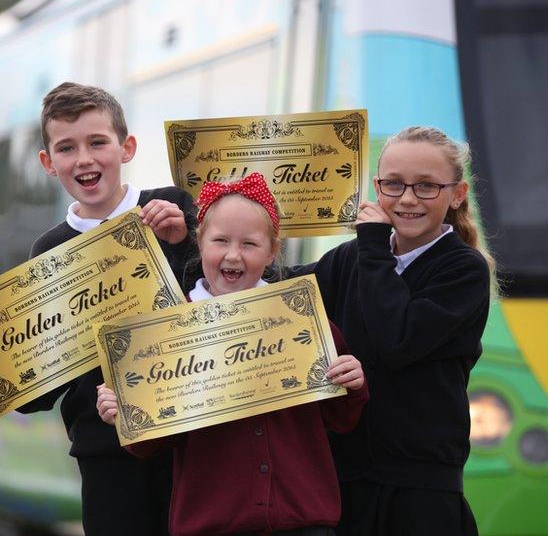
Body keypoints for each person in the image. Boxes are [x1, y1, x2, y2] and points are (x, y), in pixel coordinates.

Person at [0, 82, 197, 535]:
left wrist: (184, 242)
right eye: (66, 148)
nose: (84, 158)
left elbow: (223, 291)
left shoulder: (175, 208)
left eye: (97, 142)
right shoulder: (48, 252)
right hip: (106, 453)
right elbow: (44, 380)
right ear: (48, 163)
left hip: (192, 440)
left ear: (127, 148)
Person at [96, 173, 369, 536]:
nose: (233, 255)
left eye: (250, 244)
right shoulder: (165, 335)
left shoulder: (303, 318)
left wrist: (353, 381)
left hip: (303, 523)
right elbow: (151, 446)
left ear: (272, 251)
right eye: (220, 240)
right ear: (200, 242)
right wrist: (124, 413)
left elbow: (341, 418)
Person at [291, 126, 495, 535]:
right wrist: (191, 240)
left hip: (419, 494)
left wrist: (370, 244)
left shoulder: (462, 270)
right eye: (394, 184)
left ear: (457, 194)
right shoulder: (352, 258)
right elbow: (269, 292)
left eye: (426, 187)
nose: (406, 198)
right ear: (376, 187)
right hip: (346, 487)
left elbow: (395, 340)